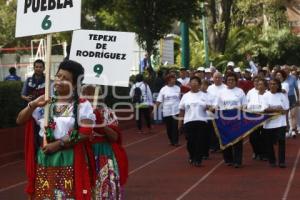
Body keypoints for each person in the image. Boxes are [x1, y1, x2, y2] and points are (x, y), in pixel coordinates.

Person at [16, 60, 96, 199]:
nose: (59, 80)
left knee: (67, 195)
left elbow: (85, 132)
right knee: (45, 195)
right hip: (45, 159)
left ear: (75, 84)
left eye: (65, 78)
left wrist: (58, 144)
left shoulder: (83, 105)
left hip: (69, 158)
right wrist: (33, 104)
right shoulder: (46, 102)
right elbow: (20, 120)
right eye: (58, 76)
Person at [82, 85, 128, 199]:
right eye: (86, 94)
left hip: (103, 152)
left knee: (105, 187)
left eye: (92, 94)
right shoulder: (78, 111)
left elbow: (115, 137)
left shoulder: (108, 112)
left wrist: (101, 125)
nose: (89, 97)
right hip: (84, 152)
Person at [178, 76, 213, 166]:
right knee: (190, 141)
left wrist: (210, 108)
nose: (194, 84)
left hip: (201, 121)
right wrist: (179, 123)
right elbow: (182, 110)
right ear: (189, 84)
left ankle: (198, 159)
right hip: (189, 121)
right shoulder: (185, 96)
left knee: (200, 141)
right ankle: (192, 155)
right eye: (192, 82)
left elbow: (210, 107)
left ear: (199, 85)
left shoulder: (204, 96)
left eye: (196, 82)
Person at [217, 72, 246, 168]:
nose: (230, 81)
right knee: (226, 138)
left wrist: (238, 108)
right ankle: (228, 159)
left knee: (237, 140)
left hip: (237, 118)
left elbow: (245, 105)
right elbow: (219, 106)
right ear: (226, 81)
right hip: (225, 118)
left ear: (236, 81)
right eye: (229, 80)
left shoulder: (240, 91)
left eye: (233, 80)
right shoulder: (222, 92)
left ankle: (237, 161)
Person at [262, 79, 289, 168]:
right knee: (269, 143)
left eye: (274, 84)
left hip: (281, 123)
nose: (272, 85)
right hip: (269, 123)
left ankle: (281, 161)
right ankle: (272, 160)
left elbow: (285, 110)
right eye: (271, 84)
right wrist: (278, 109)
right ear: (268, 86)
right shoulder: (265, 95)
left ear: (278, 85)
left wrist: (272, 108)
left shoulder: (282, 95)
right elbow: (265, 109)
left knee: (281, 141)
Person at [246, 78, 268, 160]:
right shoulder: (251, 93)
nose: (259, 85)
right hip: (253, 119)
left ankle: (264, 154)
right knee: (253, 138)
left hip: (264, 118)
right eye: (258, 84)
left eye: (261, 84)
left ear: (265, 86)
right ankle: (256, 152)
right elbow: (247, 103)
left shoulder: (268, 94)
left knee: (263, 137)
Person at [156, 74, 181, 146]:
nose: (174, 80)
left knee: (175, 127)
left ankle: (175, 141)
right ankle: (171, 140)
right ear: (168, 80)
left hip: (176, 110)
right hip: (167, 111)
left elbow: (180, 98)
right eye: (172, 79)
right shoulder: (163, 89)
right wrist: (155, 109)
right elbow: (159, 100)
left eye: (174, 79)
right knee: (169, 128)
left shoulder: (178, 88)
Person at [207, 72, 226, 152]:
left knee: (221, 130)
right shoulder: (210, 88)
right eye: (216, 77)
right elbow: (207, 98)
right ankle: (213, 146)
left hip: (222, 112)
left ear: (222, 78)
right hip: (211, 111)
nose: (217, 79)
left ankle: (221, 146)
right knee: (212, 130)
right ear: (213, 78)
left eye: (219, 77)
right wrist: (210, 107)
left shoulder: (225, 87)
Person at [282, 65, 299, 137]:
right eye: (284, 69)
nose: (286, 70)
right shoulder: (281, 78)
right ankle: (286, 129)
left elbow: (296, 89)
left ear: (289, 70)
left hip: (292, 98)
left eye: (287, 69)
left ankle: (293, 130)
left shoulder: (293, 78)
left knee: (293, 115)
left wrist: (298, 98)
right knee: (285, 115)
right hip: (284, 98)